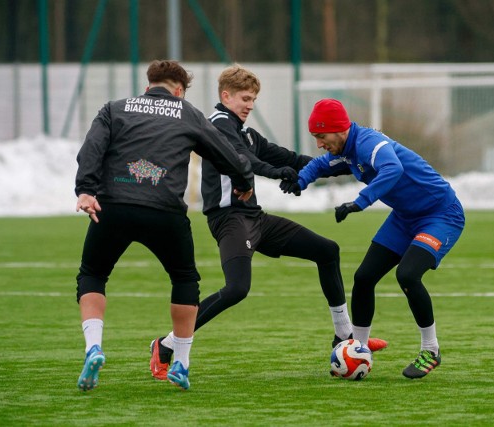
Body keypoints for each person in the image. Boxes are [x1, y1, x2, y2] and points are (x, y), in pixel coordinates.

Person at [149, 65, 387, 380]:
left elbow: (289, 158)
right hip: (229, 219)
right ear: (226, 96)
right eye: (244, 98)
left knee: (326, 250)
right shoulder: (217, 124)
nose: (249, 105)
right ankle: (166, 346)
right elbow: (241, 160)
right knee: (236, 289)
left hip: (254, 218)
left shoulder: (246, 132)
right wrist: (278, 174)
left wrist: (351, 164)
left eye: (253, 100)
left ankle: (345, 336)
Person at [74, 60, 253, 391]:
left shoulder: (115, 109)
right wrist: (243, 181)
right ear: (180, 91)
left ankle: (93, 347)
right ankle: (181, 364)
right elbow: (224, 152)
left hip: (114, 206)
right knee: (184, 279)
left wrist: (85, 190)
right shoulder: (187, 113)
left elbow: (91, 150)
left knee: (93, 274)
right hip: (165, 211)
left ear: (147, 86)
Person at [280, 98, 465, 379]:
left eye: (321, 136)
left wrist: (359, 202)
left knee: (408, 275)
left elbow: (394, 169)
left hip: (441, 214)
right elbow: (320, 165)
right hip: (405, 217)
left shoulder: (369, 143)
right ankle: (359, 347)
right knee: (364, 277)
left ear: (340, 130)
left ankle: (431, 349)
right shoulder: (347, 148)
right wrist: (300, 181)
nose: (318, 143)